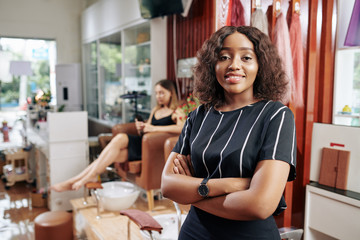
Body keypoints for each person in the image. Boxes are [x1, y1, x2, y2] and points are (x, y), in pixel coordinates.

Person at [161, 26, 296, 239]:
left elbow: (260, 205)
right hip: (194, 233)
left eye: (246, 58)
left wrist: (192, 194)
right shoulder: (198, 116)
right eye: (224, 56)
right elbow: (167, 185)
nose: (234, 65)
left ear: (261, 65)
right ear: (212, 65)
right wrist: (230, 185)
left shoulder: (276, 116)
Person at [51, 79, 185, 192]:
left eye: (162, 93)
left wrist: (154, 128)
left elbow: (182, 128)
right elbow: (147, 130)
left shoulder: (177, 111)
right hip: (143, 143)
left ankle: (84, 177)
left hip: (151, 149)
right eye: (156, 93)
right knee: (105, 158)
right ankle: (79, 179)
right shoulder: (156, 110)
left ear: (171, 93)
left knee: (120, 137)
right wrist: (142, 128)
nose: (159, 96)